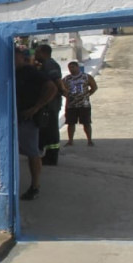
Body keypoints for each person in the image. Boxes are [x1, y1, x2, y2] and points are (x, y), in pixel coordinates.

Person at [15, 45, 57, 201]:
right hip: (16, 118)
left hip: (28, 119)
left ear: (21, 57)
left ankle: (35, 186)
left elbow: (52, 87)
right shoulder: (14, 72)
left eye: (15, 57)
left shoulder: (30, 71)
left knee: (33, 153)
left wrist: (36, 107)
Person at [34, 44, 64, 166]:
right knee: (46, 128)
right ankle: (47, 154)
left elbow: (57, 81)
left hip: (50, 102)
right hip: (49, 102)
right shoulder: (44, 65)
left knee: (51, 129)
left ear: (43, 52)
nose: (35, 55)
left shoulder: (50, 64)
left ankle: (51, 157)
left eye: (37, 52)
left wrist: (63, 91)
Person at [62, 61, 97, 146]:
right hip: (71, 104)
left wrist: (87, 95)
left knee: (86, 123)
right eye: (70, 67)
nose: (71, 69)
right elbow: (61, 88)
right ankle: (70, 140)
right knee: (70, 123)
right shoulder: (66, 78)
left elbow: (94, 87)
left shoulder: (86, 77)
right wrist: (67, 95)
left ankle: (89, 140)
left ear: (77, 67)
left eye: (73, 67)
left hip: (84, 104)